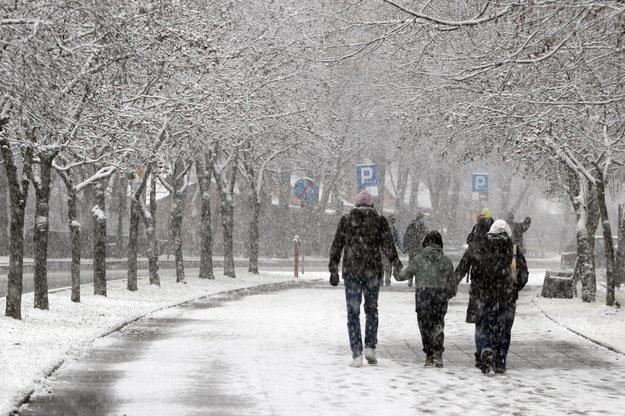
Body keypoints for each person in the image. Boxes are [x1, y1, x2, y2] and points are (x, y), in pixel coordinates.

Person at [328, 190, 402, 367]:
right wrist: (396, 263)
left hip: (352, 272)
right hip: (372, 272)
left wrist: (333, 269)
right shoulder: (379, 221)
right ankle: (370, 346)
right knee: (371, 310)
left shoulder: (346, 221)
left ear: (355, 205)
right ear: (372, 205)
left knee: (353, 313)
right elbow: (388, 245)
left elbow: (337, 245)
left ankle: (356, 354)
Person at [474, 219, 529, 374]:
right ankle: (500, 361)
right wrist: (515, 288)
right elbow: (524, 274)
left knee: (487, 325)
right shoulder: (513, 249)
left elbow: (476, 272)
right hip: (507, 297)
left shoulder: (482, 246)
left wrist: (482, 287)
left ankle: (487, 348)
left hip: (486, 295)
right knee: (504, 330)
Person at [396, 230, 457, 368]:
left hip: (423, 296)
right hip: (440, 296)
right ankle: (438, 354)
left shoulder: (418, 260)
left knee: (424, 326)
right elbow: (452, 284)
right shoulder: (446, 261)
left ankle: (429, 356)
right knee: (438, 324)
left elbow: (401, 276)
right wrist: (448, 295)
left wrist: (395, 269)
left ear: (425, 243)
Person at [455, 214, 494, 368]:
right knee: (492, 321)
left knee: (480, 323)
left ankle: (480, 353)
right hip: (495, 290)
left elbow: (461, 269)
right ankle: (489, 348)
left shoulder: (473, 248)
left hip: (478, 290)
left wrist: (450, 285)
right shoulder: (497, 246)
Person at [403, 211, 428, 287]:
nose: (421, 220)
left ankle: (413, 279)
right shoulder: (420, 227)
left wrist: (406, 245)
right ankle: (413, 280)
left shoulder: (416, 226)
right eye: (421, 218)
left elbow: (406, 236)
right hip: (415, 248)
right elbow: (407, 236)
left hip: (416, 248)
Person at [382, 215, 403, 287]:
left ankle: (382, 280)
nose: (392, 223)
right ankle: (387, 281)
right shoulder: (393, 229)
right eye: (392, 221)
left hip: (384, 250)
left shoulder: (383, 229)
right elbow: (398, 241)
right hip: (389, 250)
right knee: (387, 266)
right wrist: (402, 249)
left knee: (383, 265)